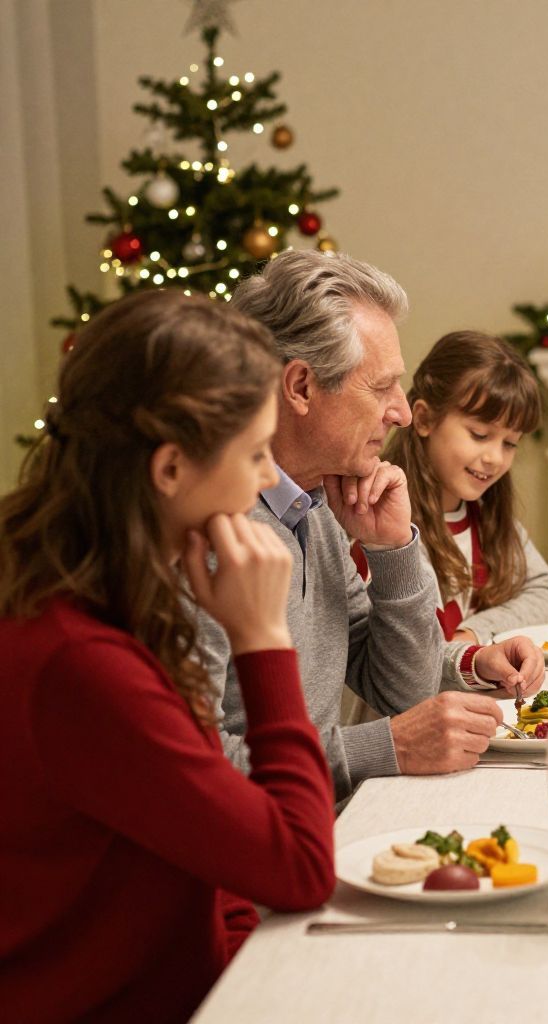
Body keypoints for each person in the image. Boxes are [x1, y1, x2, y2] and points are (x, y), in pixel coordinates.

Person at [0, 290, 334, 1021]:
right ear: (171, 469)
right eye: (254, 453)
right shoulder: (78, 662)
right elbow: (303, 867)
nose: (271, 481)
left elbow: (207, 847)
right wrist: (263, 638)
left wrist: (243, 966)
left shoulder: (115, 595)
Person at [198, 250, 544, 800]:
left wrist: (393, 550)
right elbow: (189, 764)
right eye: (381, 387)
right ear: (301, 387)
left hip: (318, 819)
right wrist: (385, 748)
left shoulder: (316, 504)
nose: (402, 413)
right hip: (254, 857)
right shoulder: (208, 532)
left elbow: (401, 689)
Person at [356, 330, 548, 640]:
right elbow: (419, 645)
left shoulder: (489, 518)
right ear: (424, 419)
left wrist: (473, 634)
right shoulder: (383, 523)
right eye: (479, 435)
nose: (495, 458)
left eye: (510, 443)